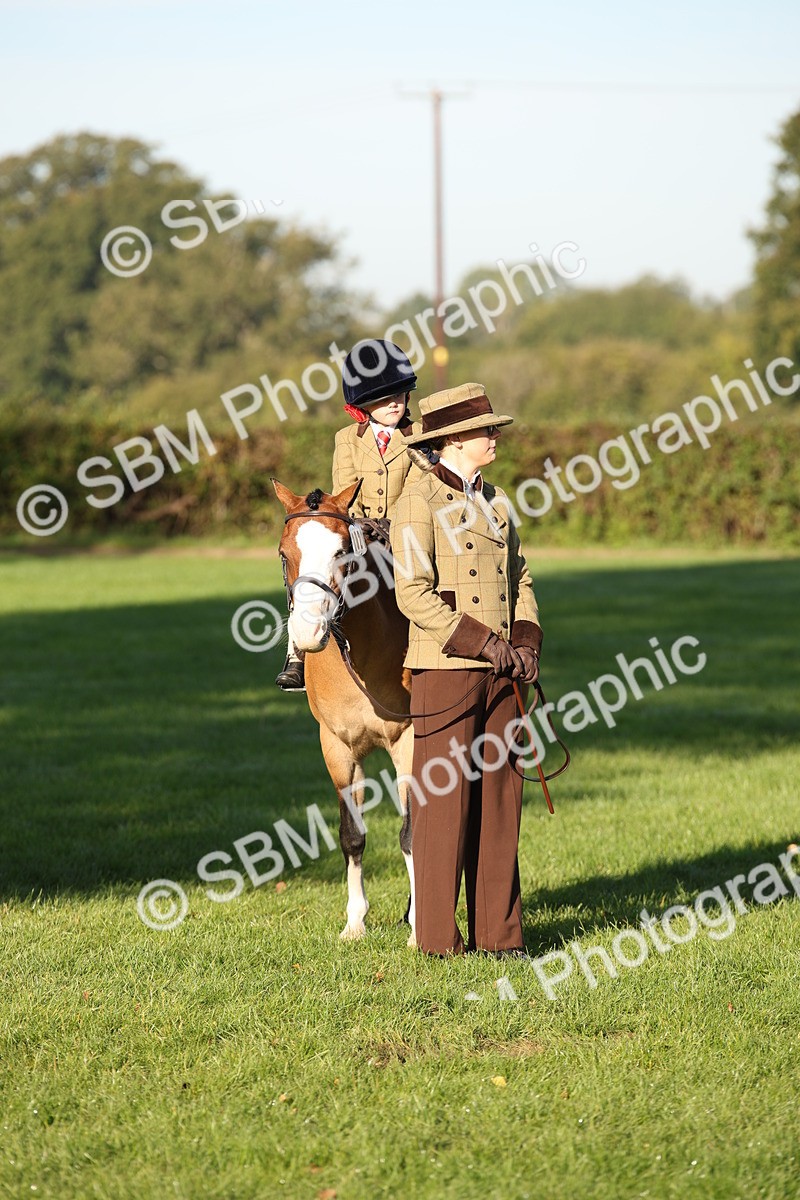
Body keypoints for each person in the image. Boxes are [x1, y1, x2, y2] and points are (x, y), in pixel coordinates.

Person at [389, 382, 542, 957]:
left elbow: (520, 576)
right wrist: (483, 644)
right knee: (442, 807)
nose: (494, 436)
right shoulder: (417, 501)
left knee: (500, 800)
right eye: (484, 430)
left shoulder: (499, 500)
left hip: (506, 669)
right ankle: (436, 940)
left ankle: (500, 938)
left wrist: (524, 641)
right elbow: (413, 593)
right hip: (446, 668)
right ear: (453, 441)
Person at [275, 338, 422, 691]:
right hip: (359, 526)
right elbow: (344, 490)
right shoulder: (347, 439)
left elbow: (419, 491)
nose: (395, 403)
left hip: (407, 529)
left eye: (400, 394)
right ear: (361, 406)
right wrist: (358, 527)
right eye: (385, 398)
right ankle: (297, 654)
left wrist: (395, 524)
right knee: (313, 565)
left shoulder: (418, 435)